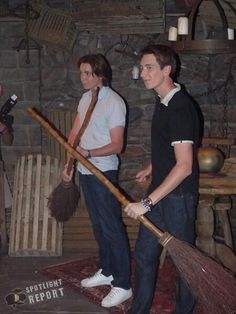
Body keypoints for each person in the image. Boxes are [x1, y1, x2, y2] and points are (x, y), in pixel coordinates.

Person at [124, 44, 199, 314]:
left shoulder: (179, 108)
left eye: (149, 68)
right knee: (144, 255)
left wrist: (145, 203)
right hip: (160, 192)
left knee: (184, 263)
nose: (143, 73)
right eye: (142, 67)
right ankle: (139, 310)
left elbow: (185, 166)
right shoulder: (162, 100)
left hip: (178, 198)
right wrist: (152, 166)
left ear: (166, 70)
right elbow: (170, 149)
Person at [62, 53, 132, 308]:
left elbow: (117, 145)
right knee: (99, 227)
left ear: (100, 75)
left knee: (112, 227)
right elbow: (75, 132)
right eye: (81, 73)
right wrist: (69, 163)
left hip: (104, 171)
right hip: (85, 170)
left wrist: (89, 153)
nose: (82, 78)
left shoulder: (114, 103)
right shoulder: (85, 99)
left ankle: (123, 284)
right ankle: (107, 271)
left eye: (87, 73)